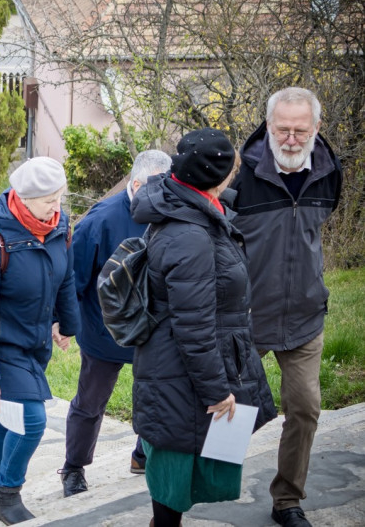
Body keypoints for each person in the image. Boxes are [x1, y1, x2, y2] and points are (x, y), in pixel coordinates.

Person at [130, 128, 277, 527]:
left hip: (196, 362)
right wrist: (216, 391)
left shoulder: (193, 210)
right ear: (218, 175)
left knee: (184, 463)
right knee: (174, 471)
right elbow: (193, 326)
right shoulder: (190, 234)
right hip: (183, 370)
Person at [231, 87, 342, 527]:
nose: (291, 139)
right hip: (246, 316)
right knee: (231, 408)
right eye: (283, 130)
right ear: (268, 126)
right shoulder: (240, 176)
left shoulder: (329, 172)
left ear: (316, 127)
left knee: (305, 409)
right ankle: (211, 484)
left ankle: (287, 501)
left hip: (304, 316)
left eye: (300, 130)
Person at [0, 157, 81, 524]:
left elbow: (65, 277)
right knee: (32, 419)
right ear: (23, 198)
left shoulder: (59, 226)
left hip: (30, 335)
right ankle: (8, 496)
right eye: (48, 201)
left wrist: (66, 324)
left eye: (59, 198)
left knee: (3, 416)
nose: (56, 207)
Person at [59, 150, 172, 497]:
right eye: (156, 189)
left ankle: (142, 455)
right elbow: (74, 277)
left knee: (155, 397)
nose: (164, 196)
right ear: (136, 185)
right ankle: (74, 467)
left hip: (152, 331)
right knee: (90, 403)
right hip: (104, 331)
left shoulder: (170, 213)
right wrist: (63, 322)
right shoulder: (100, 220)